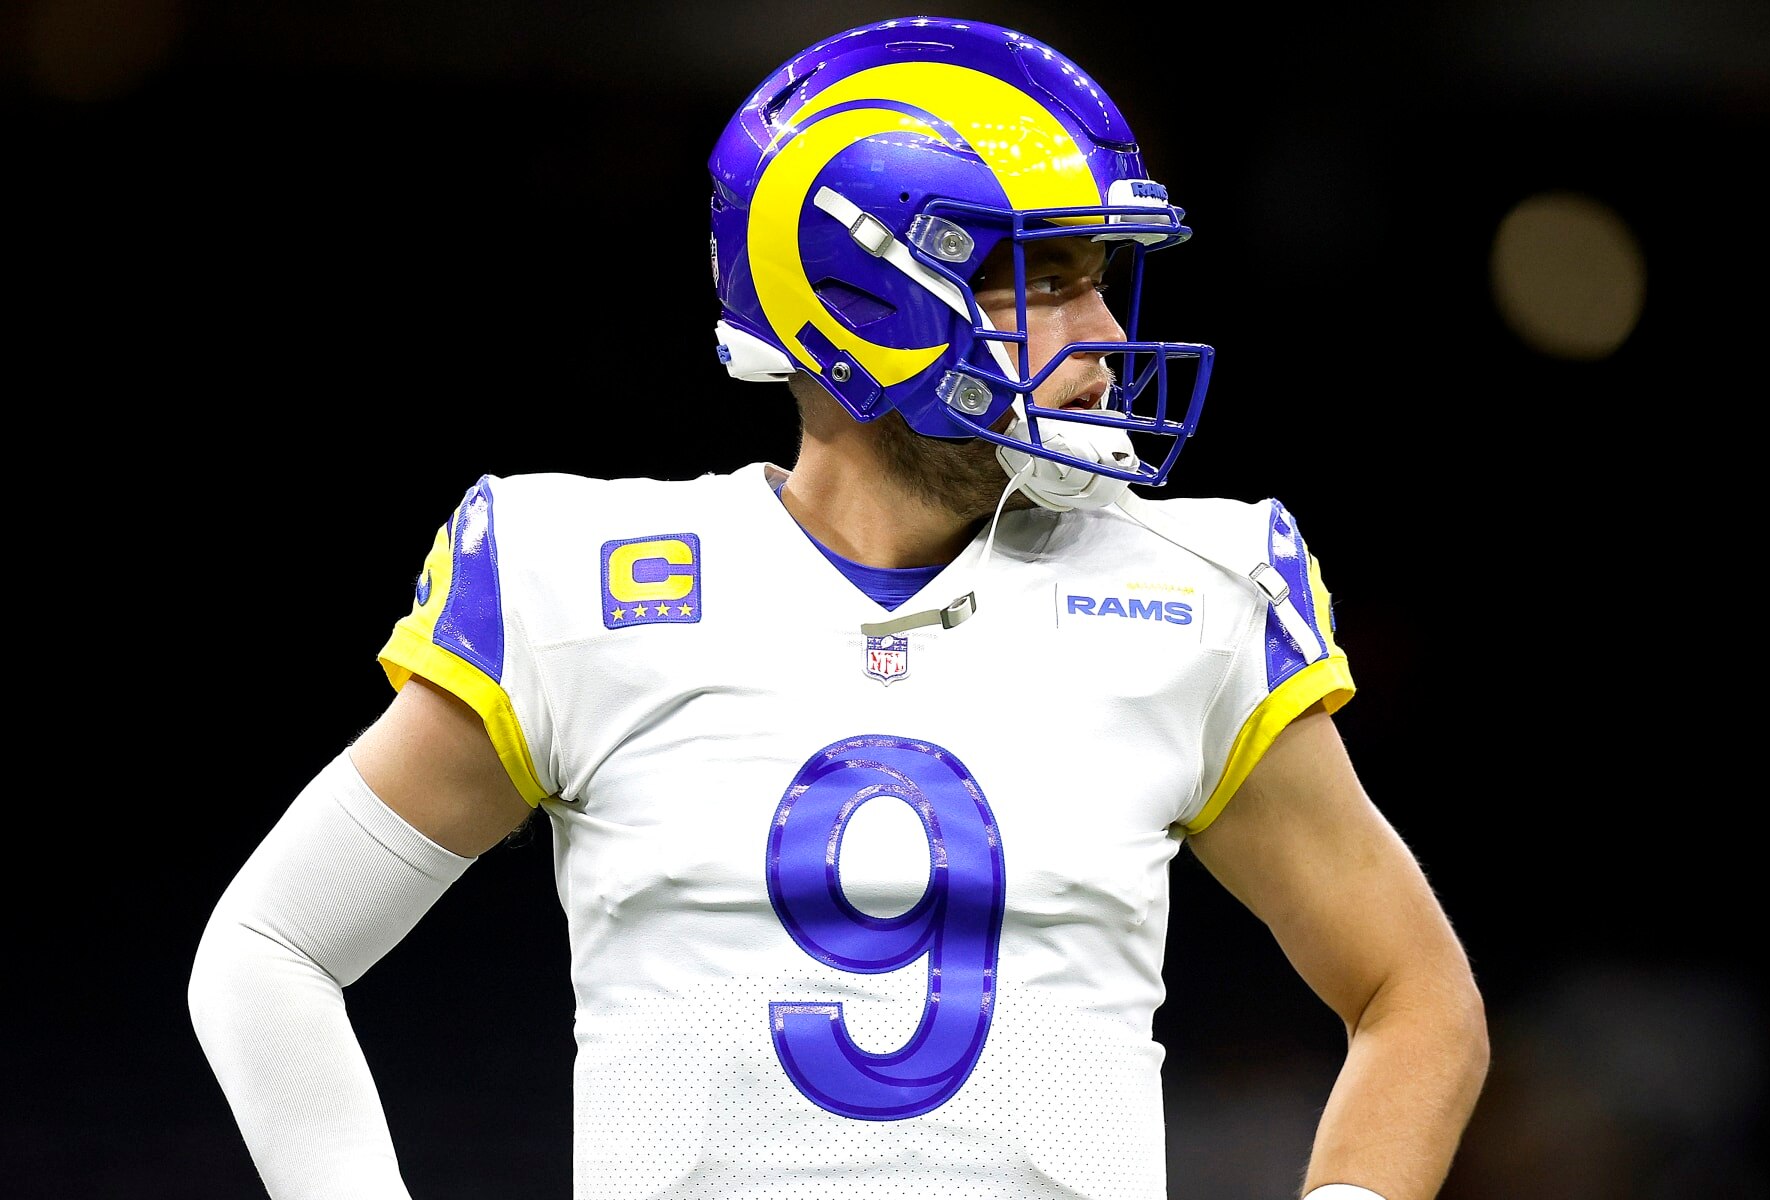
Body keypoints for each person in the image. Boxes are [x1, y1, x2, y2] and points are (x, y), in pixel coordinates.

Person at [188, 15, 1488, 1200]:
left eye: (1098, 276)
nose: (1098, 337)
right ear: (863, 298)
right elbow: (268, 949)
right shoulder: (580, 580)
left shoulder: (1195, 590)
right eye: (1041, 280)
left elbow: (1416, 996)